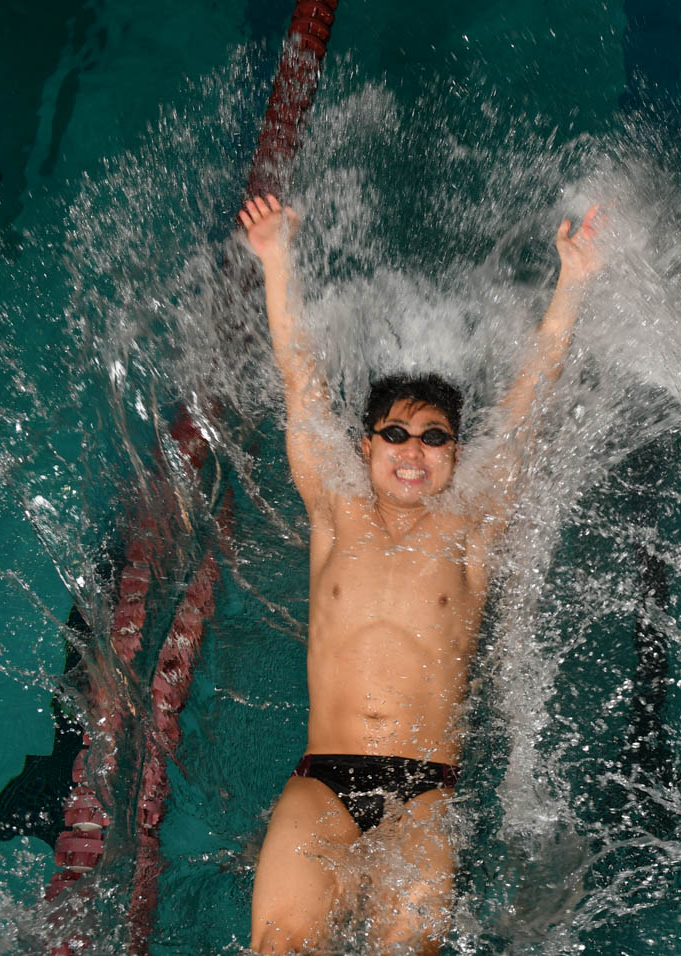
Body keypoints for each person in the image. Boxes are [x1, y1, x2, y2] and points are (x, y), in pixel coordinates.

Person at [239, 193, 602, 953]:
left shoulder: (473, 525)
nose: (413, 449)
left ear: (456, 458)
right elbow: (300, 380)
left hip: (423, 794)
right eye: (395, 433)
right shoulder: (334, 512)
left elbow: (531, 399)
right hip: (321, 782)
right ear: (366, 448)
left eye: (435, 438)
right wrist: (277, 261)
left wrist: (571, 283)